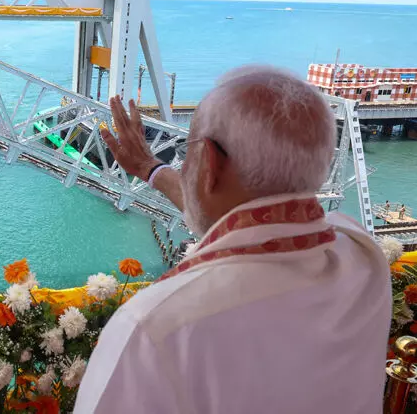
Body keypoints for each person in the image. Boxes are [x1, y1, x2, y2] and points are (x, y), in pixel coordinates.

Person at [75, 66, 391, 413]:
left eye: (187, 146)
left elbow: (241, 222)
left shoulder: (156, 329)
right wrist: (153, 170)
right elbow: (250, 221)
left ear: (208, 164)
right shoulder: (362, 256)